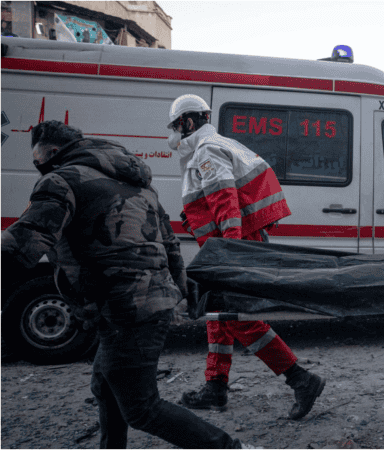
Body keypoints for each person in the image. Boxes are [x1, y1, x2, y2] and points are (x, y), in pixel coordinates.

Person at [1, 121, 248, 448]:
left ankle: (228, 447)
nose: (38, 167)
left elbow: (24, 243)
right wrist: (183, 292)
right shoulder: (139, 184)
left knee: (142, 408)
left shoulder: (60, 181)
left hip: (123, 309)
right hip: (146, 305)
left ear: (53, 153)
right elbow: (171, 244)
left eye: (38, 160)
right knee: (105, 386)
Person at [167, 94, 325, 420]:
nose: (174, 132)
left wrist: (231, 253)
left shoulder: (207, 150)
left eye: (176, 125)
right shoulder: (221, 143)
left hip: (231, 245)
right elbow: (222, 200)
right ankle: (215, 387)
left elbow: (226, 202)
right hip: (227, 243)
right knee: (220, 317)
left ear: (188, 122)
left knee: (239, 319)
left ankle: (301, 379)